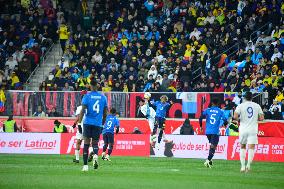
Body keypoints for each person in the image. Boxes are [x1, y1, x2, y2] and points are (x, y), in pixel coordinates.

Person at [78, 80, 108, 172]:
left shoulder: (87, 96)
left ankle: (85, 166)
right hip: (97, 123)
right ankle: (95, 155)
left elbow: (82, 110)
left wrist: (79, 123)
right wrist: (102, 124)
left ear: (90, 86)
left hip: (87, 122)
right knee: (95, 143)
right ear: (98, 86)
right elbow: (105, 113)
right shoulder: (103, 97)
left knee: (86, 144)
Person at [233, 91, 264, 173]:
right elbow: (261, 118)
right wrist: (253, 119)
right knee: (251, 148)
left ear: (244, 98)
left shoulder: (240, 105)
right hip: (253, 129)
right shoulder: (257, 105)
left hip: (243, 129)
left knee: (242, 147)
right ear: (252, 98)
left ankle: (242, 166)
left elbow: (235, 116)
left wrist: (240, 119)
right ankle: (248, 166)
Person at [199, 98, 228, 168]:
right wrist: (225, 124)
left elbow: (200, 117)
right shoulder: (220, 111)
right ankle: (208, 160)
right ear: (218, 104)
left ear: (212, 103)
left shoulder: (208, 110)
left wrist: (200, 126)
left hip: (208, 132)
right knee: (213, 146)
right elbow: (225, 120)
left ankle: (210, 160)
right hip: (215, 132)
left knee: (212, 145)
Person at [72, 90, 88, 163]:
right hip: (88, 125)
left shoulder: (80, 107)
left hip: (81, 126)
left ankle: (77, 158)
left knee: (78, 142)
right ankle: (91, 153)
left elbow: (78, 117)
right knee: (88, 142)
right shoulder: (90, 107)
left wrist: (74, 124)